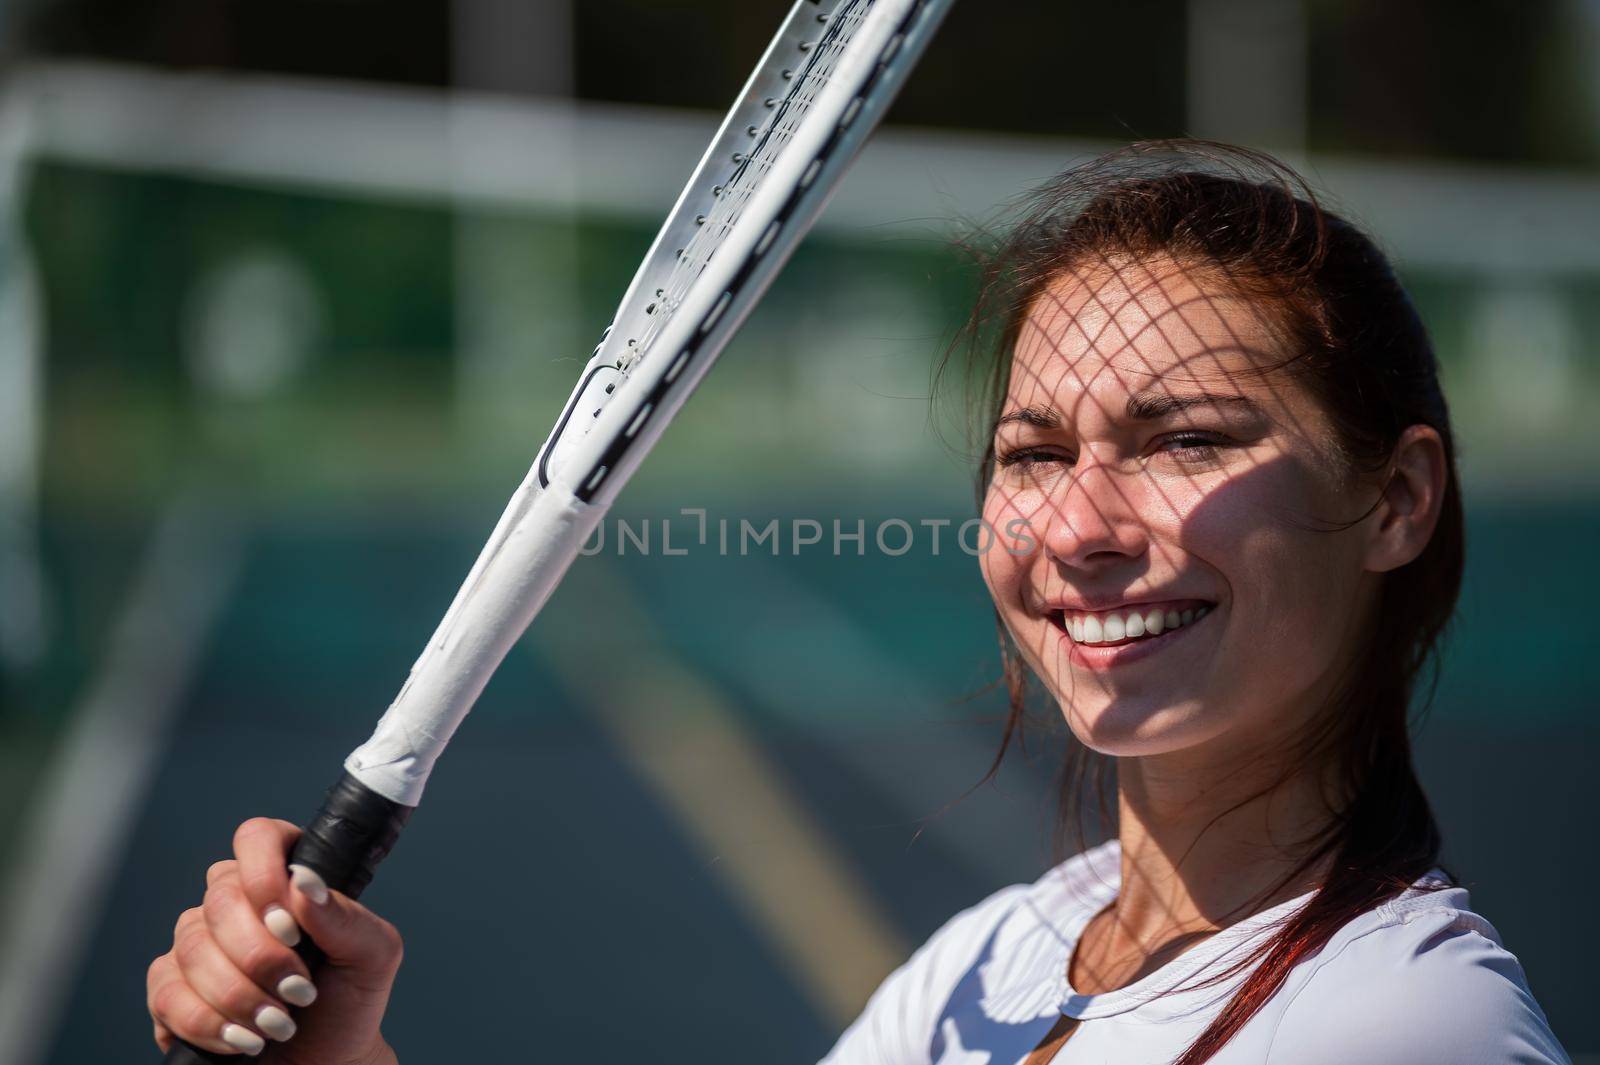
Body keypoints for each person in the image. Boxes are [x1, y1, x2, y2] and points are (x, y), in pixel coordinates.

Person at [145, 142, 1571, 1064]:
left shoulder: (1402, 1028)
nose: (1079, 525)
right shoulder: (995, 956)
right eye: (1031, 452)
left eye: (1189, 437)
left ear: (1397, 499)